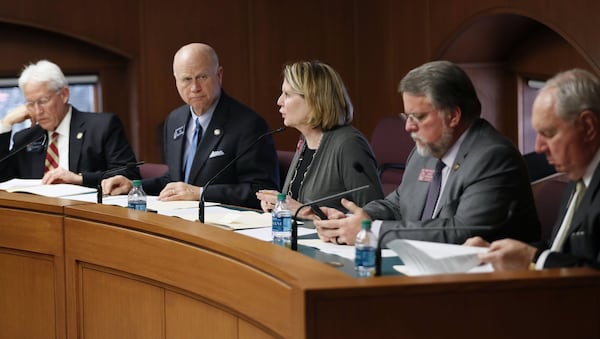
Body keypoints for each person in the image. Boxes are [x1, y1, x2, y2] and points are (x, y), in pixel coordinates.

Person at [314, 60, 541, 245]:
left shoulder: (492, 157)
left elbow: (462, 231)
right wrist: (357, 220)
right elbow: (398, 203)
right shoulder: (425, 151)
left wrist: (372, 231)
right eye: (407, 117)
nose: (408, 127)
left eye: (419, 117)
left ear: (453, 116)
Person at [102, 43, 279, 209]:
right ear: (176, 81)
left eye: (202, 77)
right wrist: (133, 186)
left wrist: (200, 193)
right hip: (179, 218)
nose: (195, 87)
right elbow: (175, 180)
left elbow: (262, 191)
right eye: (186, 79)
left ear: (219, 75)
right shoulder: (174, 120)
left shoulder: (248, 124)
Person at [467, 68, 600, 270]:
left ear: (588, 126)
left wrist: (535, 258)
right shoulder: (579, 175)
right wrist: (495, 251)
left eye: (548, 133)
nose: (538, 147)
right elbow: (561, 250)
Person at [255, 61, 384, 215]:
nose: (279, 102)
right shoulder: (305, 140)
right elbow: (297, 206)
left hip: (334, 239)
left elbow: (374, 213)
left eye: (287, 95)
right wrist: (278, 205)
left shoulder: (349, 143)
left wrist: (307, 212)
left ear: (313, 99)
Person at [0, 60, 139, 187]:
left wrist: (79, 178)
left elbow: (129, 176)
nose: (37, 111)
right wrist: (5, 124)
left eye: (43, 101)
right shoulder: (26, 139)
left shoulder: (102, 127)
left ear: (64, 94)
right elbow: (3, 179)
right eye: (30, 104)